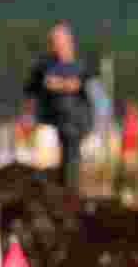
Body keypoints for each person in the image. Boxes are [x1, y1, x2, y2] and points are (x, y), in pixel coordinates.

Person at [23, 22, 94, 191]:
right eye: (54, 41)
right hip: (47, 126)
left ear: (70, 41)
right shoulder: (44, 66)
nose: (58, 45)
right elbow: (30, 91)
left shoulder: (82, 67)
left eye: (61, 40)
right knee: (46, 166)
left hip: (74, 127)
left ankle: (70, 192)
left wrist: (60, 84)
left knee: (70, 159)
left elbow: (85, 90)